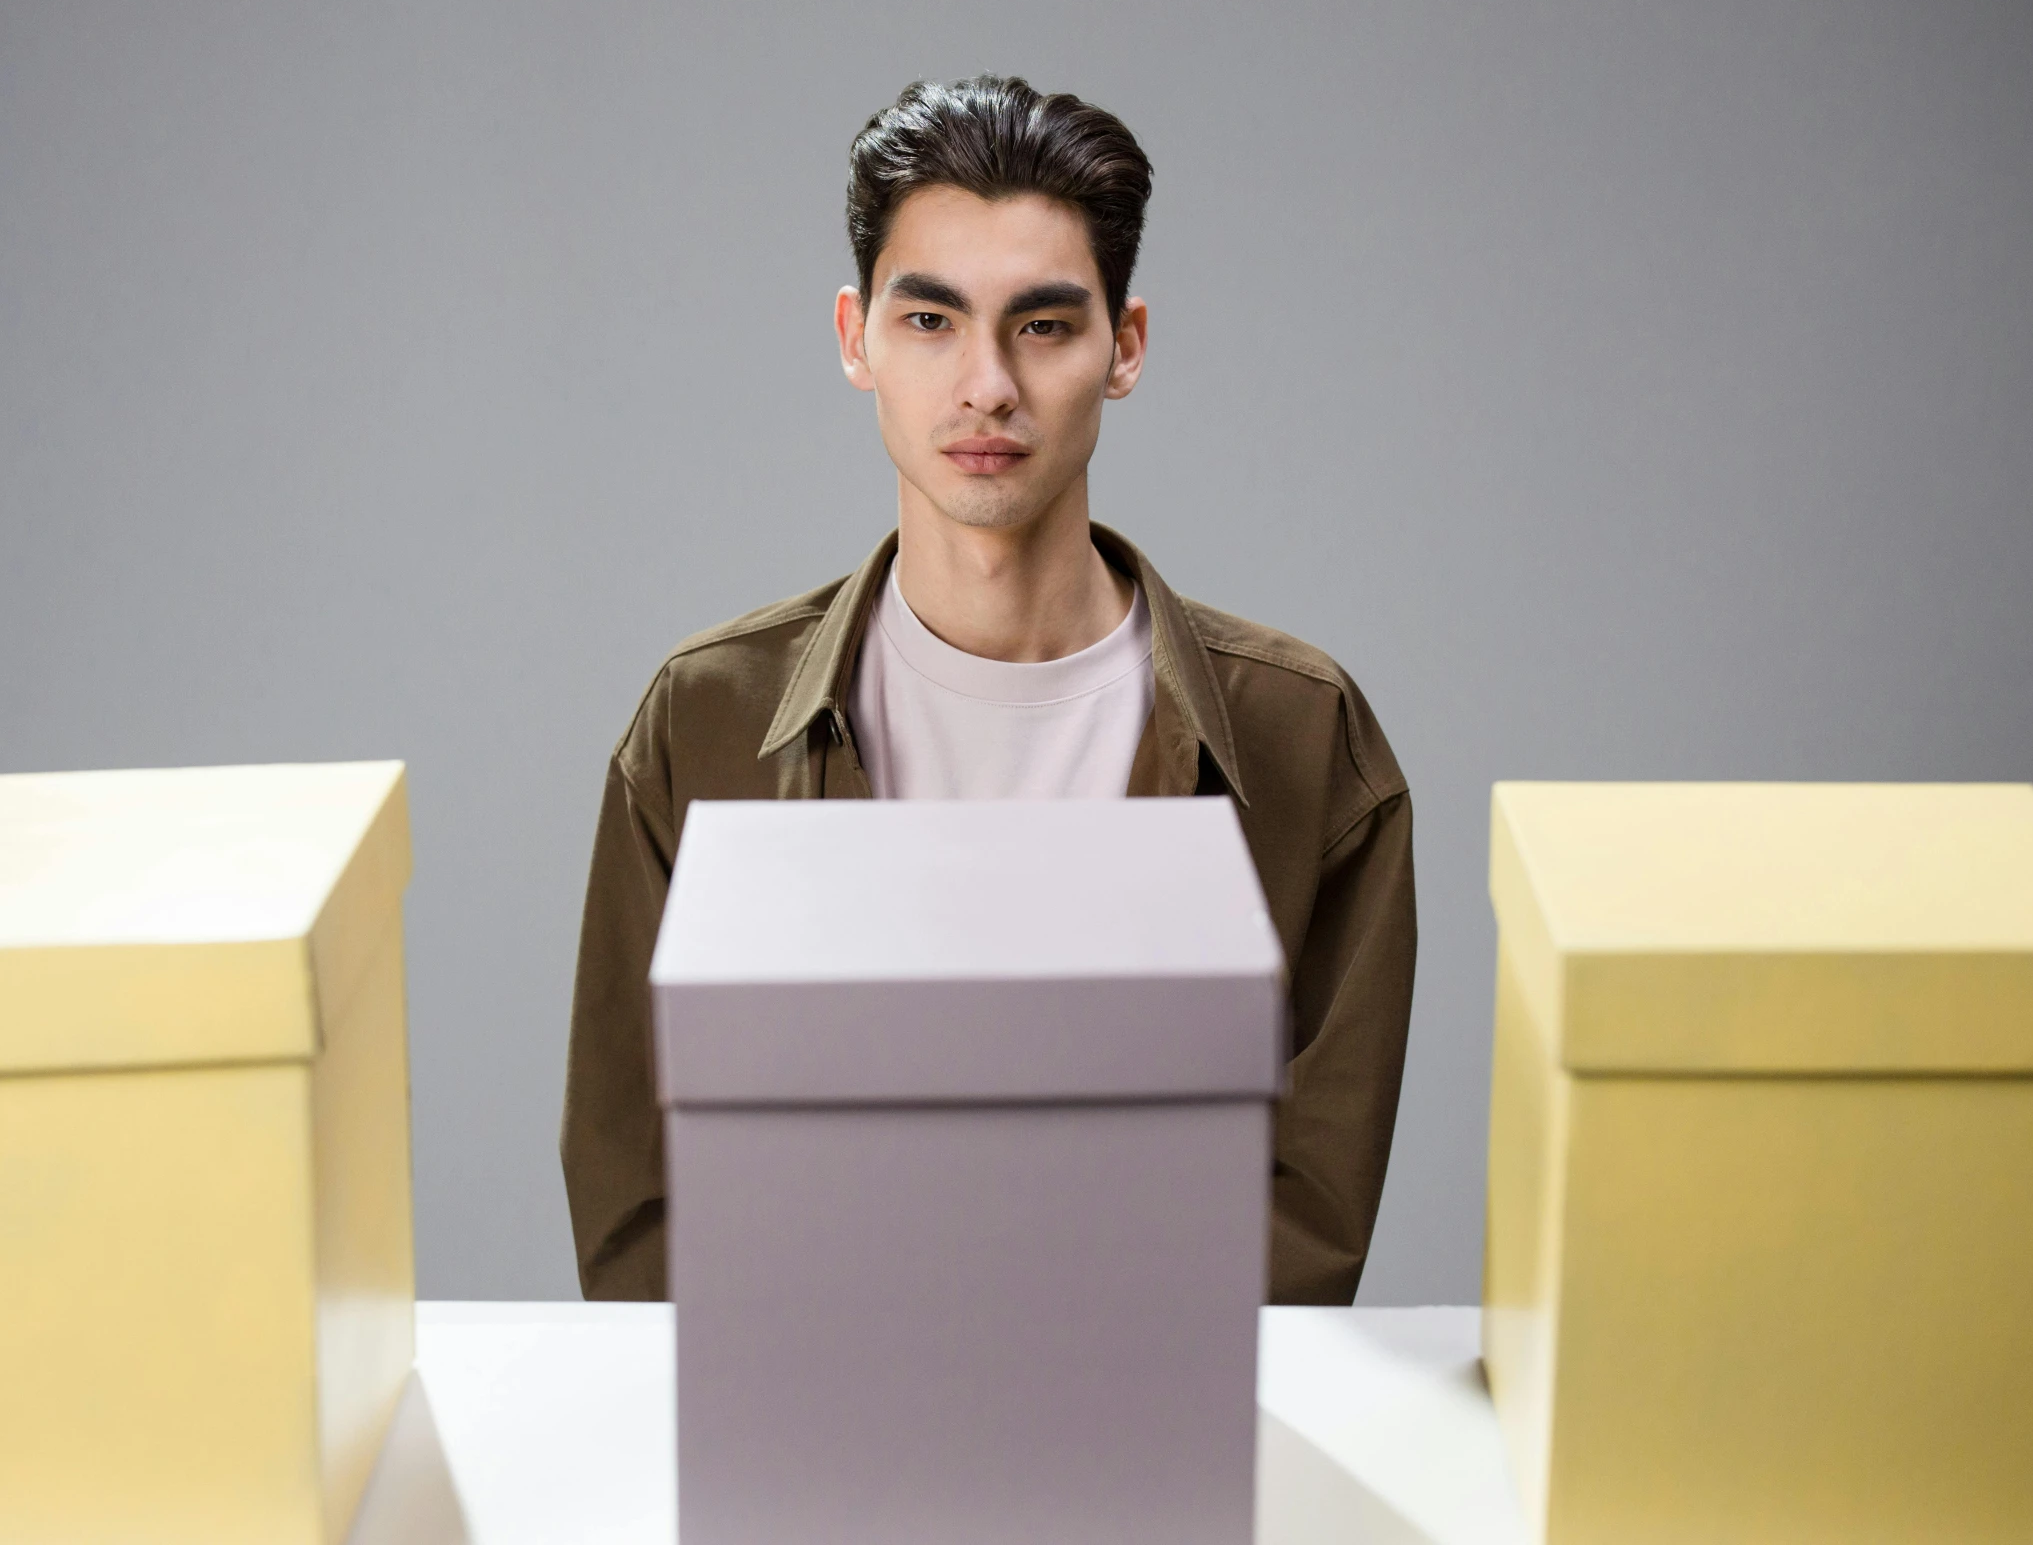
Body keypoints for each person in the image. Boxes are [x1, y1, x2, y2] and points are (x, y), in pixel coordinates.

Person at [561, 75, 1416, 1306]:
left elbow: (1306, 1231)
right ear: (855, 337)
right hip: (804, 1461)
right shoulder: (704, 724)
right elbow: (638, 1209)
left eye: (1044, 325)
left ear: (1122, 348)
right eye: (930, 322)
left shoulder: (1302, 738)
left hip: (1156, 1467)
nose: (986, 386)